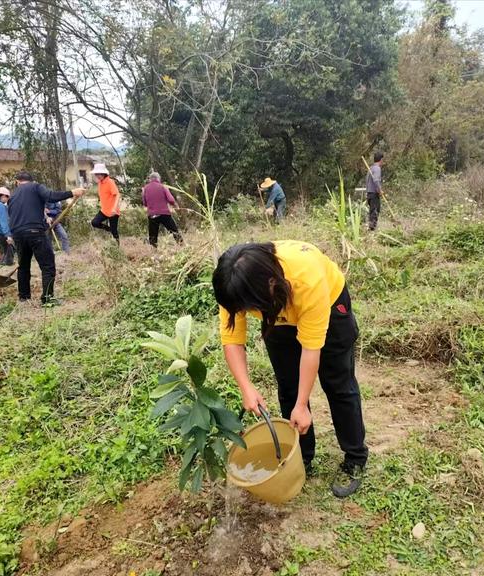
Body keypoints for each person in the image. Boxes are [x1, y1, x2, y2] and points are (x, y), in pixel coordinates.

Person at [212, 240, 368, 498]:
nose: (246, 312)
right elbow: (232, 340)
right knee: (288, 387)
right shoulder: (233, 283)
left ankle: (355, 457)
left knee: (338, 385)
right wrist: (246, 388)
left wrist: (303, 404)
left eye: (249, 308)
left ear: (271, 285)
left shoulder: (307, 279)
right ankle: (301, 456)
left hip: (328, 304)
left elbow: (311, 348)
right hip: (276, 312)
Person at [7, 171, 85, 305]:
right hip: (35, 231)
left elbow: (13, 214)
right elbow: (50, 196)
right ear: (31, 181)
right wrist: (72, 192)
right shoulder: (35, 187)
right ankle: (47, 298)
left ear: (17, 182)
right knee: (48, 265)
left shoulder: (12, 196)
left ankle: (24, 298)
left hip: (18, 234)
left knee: (23, 266)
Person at [142, 172, 182, 246]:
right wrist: (176, 206)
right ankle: (181, 245)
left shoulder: (145, 189)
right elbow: (171, 200)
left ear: (150, 179)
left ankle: (154, 250)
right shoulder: (163, 187)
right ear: (158, 178)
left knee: (153, 236)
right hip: (164, 213)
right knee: (174, 231)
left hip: (152, 215)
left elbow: (144, 203)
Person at [90, 163, 121, 243]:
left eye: (99, 174)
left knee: (114, 232)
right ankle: (109, 229)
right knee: (94, 223)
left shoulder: (110, 182)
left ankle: (117, 247)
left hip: (113, 212)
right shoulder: (100, 183)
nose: (97, 176)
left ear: (103, 173)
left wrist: (114, 208)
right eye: (96, 174)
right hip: (104, 210)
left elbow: (117, 195)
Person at [366, 152, 384, 231]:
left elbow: (367, 181)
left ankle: (371, 228)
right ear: (381, 160)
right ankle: (372, 229)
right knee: (375, 211)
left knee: (373, 211)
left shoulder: (371, 168)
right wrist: (379, 190)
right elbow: (376, 180)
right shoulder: (377, 168)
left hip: (369, 193)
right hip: (374, 193)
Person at [0, 187, 14, 265]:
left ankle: (2, 262)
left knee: (4, 249)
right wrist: (8, 235)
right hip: (1, 232)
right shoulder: (0, 206)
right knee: (9, 248)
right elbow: (3, 221)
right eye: (7, 197)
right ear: (3, 196)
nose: (7, 200)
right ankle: (8, 264)